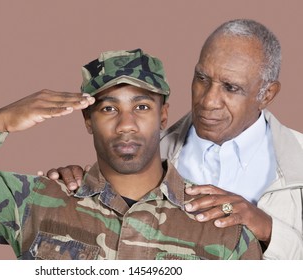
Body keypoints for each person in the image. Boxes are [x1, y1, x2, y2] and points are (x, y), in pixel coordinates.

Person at [0, 49, 262, 260]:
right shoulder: (32, 201)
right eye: (109, 109)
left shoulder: (221, 230)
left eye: (141, 106)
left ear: (164, 116)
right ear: (87, 120)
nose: (126, 124)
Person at [46, 20, 303, 260]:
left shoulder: (297, 162)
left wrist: (270, 231)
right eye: (202, 79)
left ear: (267, 94)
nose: (208, 101)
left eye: (230, 87)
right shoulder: (143, 152)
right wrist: (76, 185)